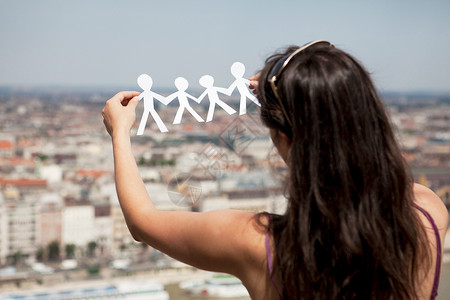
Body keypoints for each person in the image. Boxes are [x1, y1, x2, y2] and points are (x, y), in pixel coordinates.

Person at [102, 40, 448, 300]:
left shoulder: (260, 245)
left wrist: (120, 131)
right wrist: (309, 82)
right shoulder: (428, 214)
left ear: (284, 141)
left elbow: (141, 221)